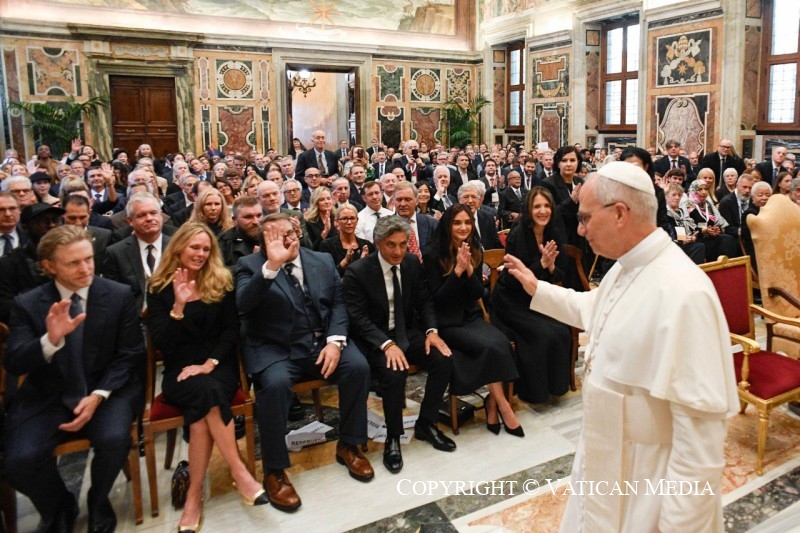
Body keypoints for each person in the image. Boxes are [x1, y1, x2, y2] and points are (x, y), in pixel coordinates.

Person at [504, 162, 738, 532]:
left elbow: (699, 445)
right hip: (605, 459)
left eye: (584, 218)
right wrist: (538, 288)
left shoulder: (684, 293)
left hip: (646, 486)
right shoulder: (628, 266)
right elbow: (596, 309)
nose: (579, 229)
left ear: (619, 214)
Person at [4, 225, 145, 533]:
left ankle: (98, 503)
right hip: (48, 395)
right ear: (49, 266)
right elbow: (13, 360)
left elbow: (130, 354)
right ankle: (60, 506)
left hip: (107, 390)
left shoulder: (117, 294)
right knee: (17, 460)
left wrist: (98, 396)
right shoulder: (28, 303)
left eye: (89, 259)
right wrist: (49, 341)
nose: (85, 269)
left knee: (113, 440)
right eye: (74, 263)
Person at [236, 213, 373, 511]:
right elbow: (243, 305)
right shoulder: (249, 266)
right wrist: (271, 265)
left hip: (322, 342)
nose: (289, 240)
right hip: (277, 349)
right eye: (278, 236)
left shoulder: (321, 260)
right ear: (263, 244)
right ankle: (274, 470)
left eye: (292, 232)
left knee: (358, 368)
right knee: (273, 386)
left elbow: (338, 302)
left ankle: (348, 445)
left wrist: (335, 341)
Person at [147, 223, 267, 531]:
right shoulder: (159, 287)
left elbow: (231, 331)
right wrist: (178, 305)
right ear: (178, 248)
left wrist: (210, 363)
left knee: (203, 406)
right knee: (205, 401)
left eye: (205, 248)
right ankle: (239, 471)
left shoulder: (221, 280)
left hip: (219, 365)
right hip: (180, 369)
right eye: (194, 247)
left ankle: (193, 498)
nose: (200, 254)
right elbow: (164, 343)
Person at [343, 216, 455, 474]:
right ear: (378, 243)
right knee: (394, 372)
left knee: (443, 359)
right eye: (392, 245)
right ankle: (393, 437)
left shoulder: (412, 263)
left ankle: (426, 424)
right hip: (376, 337)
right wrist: (385, 344)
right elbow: (357, 318)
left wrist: (431, 331)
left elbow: (424, 301)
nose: (398, 251)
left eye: (403, 245)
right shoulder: (359, 272)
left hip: (407, 330)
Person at [422, 204, 522, 435]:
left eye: (467, 222)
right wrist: (457, 271)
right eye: (457, 222)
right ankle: (503, 407)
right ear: (448, 225)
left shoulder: (474, 249)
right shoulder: (432, 254)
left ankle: (493, 403)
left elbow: (479, 294)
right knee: (489, 347)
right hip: (447, 322)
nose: (463, 227)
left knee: (501, 343)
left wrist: (468, 270)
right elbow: (437, 300)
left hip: (471, 316)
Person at [491, 187, 572, 404]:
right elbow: (512, 278)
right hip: (511, 300)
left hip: (538, 297)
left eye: (546, 206)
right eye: (537, 206)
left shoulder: (554, 232)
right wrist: (541, 265)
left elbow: (561, 273)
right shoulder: (519, 233)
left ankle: (556, 388)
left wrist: (552, 267)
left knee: (562, 332)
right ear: (529, 209)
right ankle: (535, 392)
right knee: (542, 334)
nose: (543, 211)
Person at [683, 178, 739, 262]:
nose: (704, 192)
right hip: (695, 238)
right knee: (705, 245)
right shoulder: (687, 205)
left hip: (709, 236)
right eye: (700, 189)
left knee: (728, 239)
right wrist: (703, 231)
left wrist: (715, 229)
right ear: (693, 191)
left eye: (706, 189)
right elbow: (687, 226)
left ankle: (727, 268)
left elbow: (718, 221)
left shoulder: (708, 204)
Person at [319, 203, 374, 276]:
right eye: (345, 219)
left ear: (357, 221)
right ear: (337, 221)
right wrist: (343, 263)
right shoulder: (327, 246)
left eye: (352, 218)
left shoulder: (367, 245)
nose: (349, 222)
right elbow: (326, 276)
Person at [303, 186, 336, 250]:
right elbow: (311, 247)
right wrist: (325, 232)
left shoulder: (337, 217)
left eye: (328, 198)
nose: (326, 202)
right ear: (316, 202)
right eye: (322, 200)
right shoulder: (309, 222)